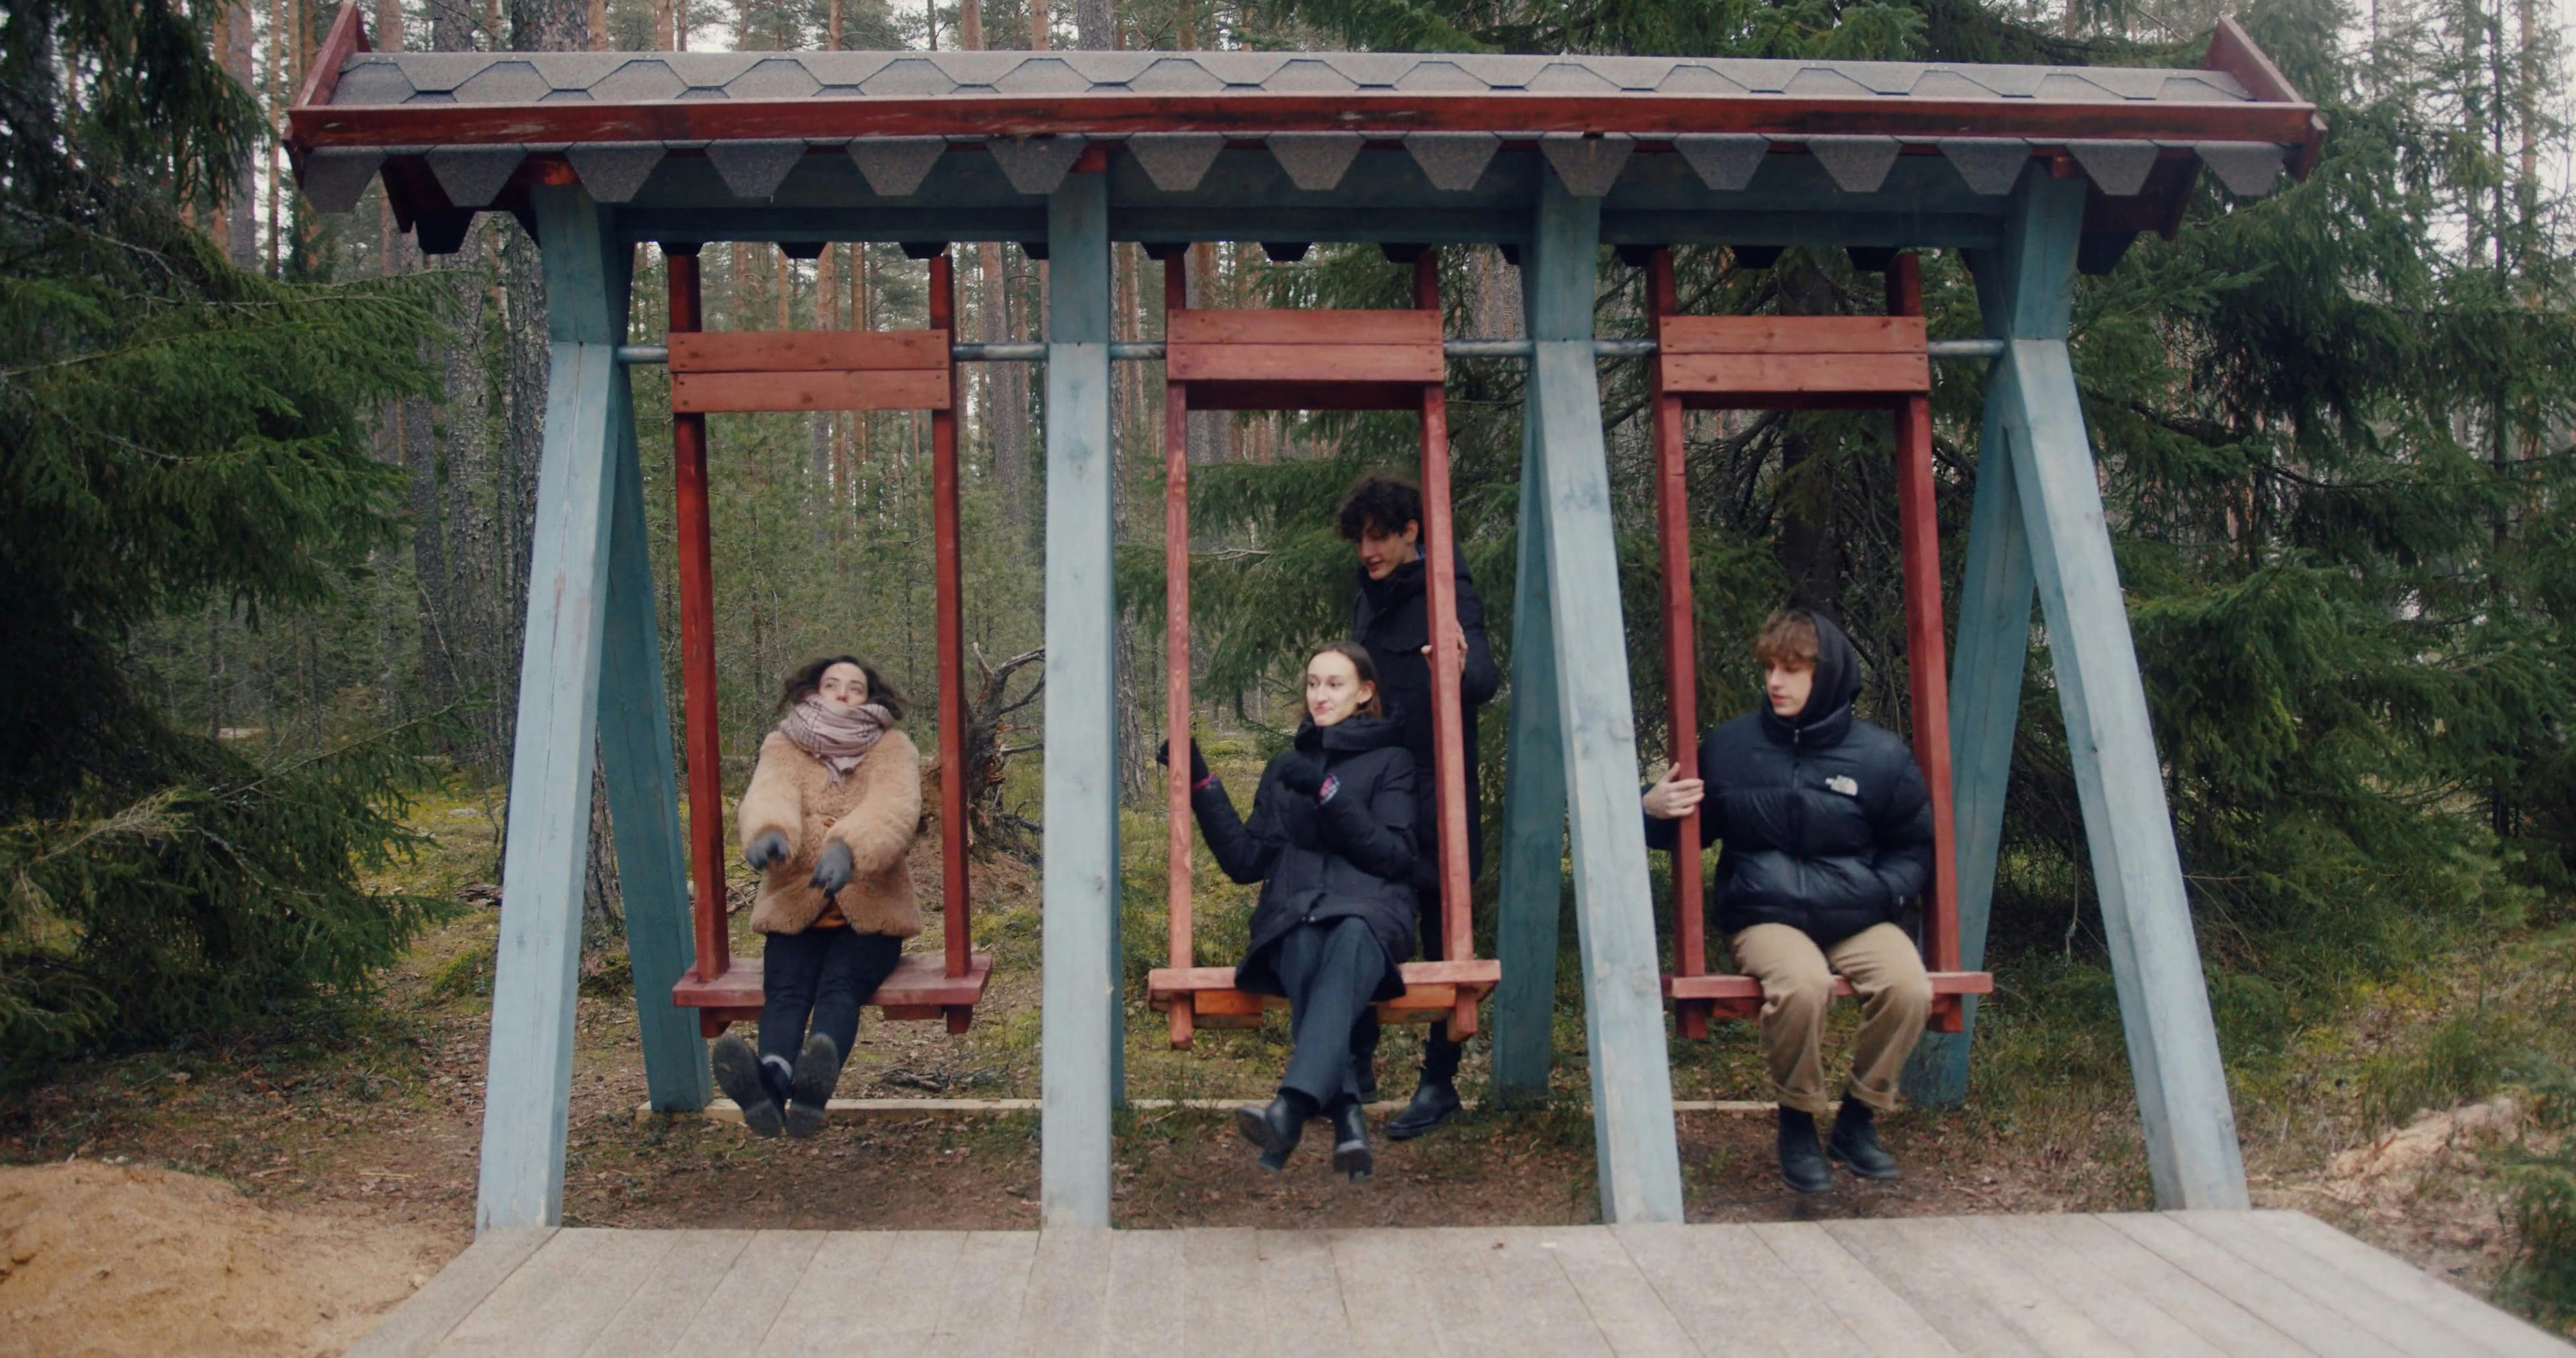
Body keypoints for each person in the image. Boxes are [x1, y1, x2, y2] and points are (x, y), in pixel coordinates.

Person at [1642, 610, 1935, 1192]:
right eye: (1771, 667)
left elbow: (1913, 844)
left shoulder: (1881, 756)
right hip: (1765, 913)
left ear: (1827, 677)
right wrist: (1650, 809)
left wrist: (1883, 892)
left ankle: (1857, 1118)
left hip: (1856, 912)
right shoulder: (1730, 747)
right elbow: (1689, 830)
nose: (1775, 681)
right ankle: (1798, 1120)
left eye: (1793, 669)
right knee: (1802, 984)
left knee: (1909, 987)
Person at [1162, 643, 1420, 1180]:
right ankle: (1346, 1116)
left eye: (1334, 684)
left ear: (1365, 692)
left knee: (1348, 933)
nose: (1319, 695)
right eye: (1312, 683)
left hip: (1370, 913)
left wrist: (1330, 794)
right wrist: (1201, 781)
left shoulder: (1392, 762)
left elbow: (1392, 855)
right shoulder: (1286, 767)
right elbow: (1247, 860)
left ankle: (1292, 1107)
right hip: (1296, 913)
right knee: (1301, 938)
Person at [1336, 475, 1499, 1141]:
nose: (1367, 551)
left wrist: (1458, 666)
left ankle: (1439, 1082)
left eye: (1380, 536)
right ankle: (1357, 1063)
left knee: (1444, 932)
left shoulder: (1449, 592)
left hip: (1438, 795)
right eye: (1360, 539)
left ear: (1412, 531)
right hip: (1377, 791)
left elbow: (1484, 679)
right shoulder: (1367, 599)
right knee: (1360, 912)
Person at [710, 656, 924, 1139]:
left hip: (871, 913)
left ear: (871, 698)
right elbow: (771, 793)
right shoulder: (784, 746)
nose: (843, 693)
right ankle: (773, 1081)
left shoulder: (892, 748)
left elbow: (894, 807)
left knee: (840, 987)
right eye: (832, 684)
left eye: (855, 687)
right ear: (813, 691)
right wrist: (769, 831)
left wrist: (848, 847)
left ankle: (813, 1081)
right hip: (795, 907)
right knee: (785, 991)